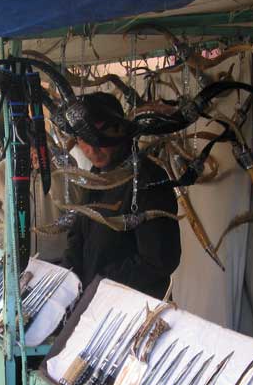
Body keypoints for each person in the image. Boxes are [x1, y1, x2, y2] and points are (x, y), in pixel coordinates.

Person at [62, 92, 181, 299]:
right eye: (83, 139)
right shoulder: (96, 175)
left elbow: (159, 259)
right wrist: (67, 277)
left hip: (134, 306)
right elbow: (78, 235)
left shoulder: (147, 178)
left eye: (100, 138)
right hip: (93, 300)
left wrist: (101, 282)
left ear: (119, 130)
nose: (92, 150)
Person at [0, 156, 68, 263]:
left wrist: (51, 171)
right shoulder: (0, 172)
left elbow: (76, 204)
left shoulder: (64, 165)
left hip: (56, 261)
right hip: (10, 262)